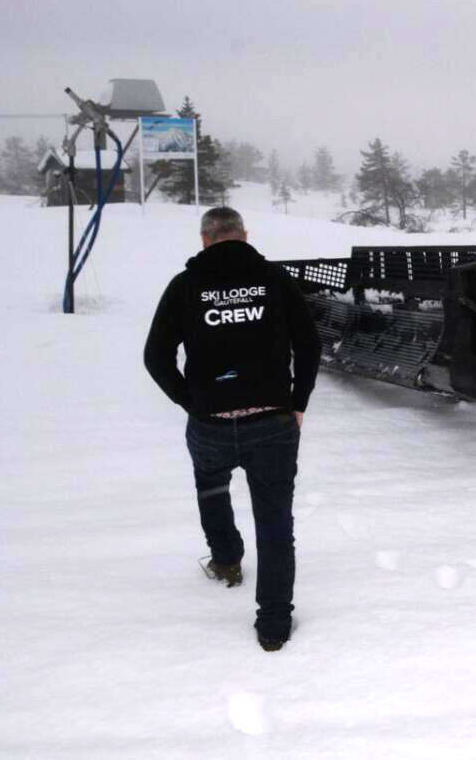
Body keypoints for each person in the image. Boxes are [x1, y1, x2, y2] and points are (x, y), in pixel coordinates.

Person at [144, 206, 320, 652]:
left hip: (211, 424)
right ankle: (274, 623)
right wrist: (298, 402)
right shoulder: (275, 281)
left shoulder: (185, 286)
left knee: (211, 485)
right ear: (244, 234)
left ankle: (226, 560)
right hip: (273, 422)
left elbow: (155, 357)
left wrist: (194, 402)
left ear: (205, 240)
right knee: (275, 521)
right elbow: (310, 344)